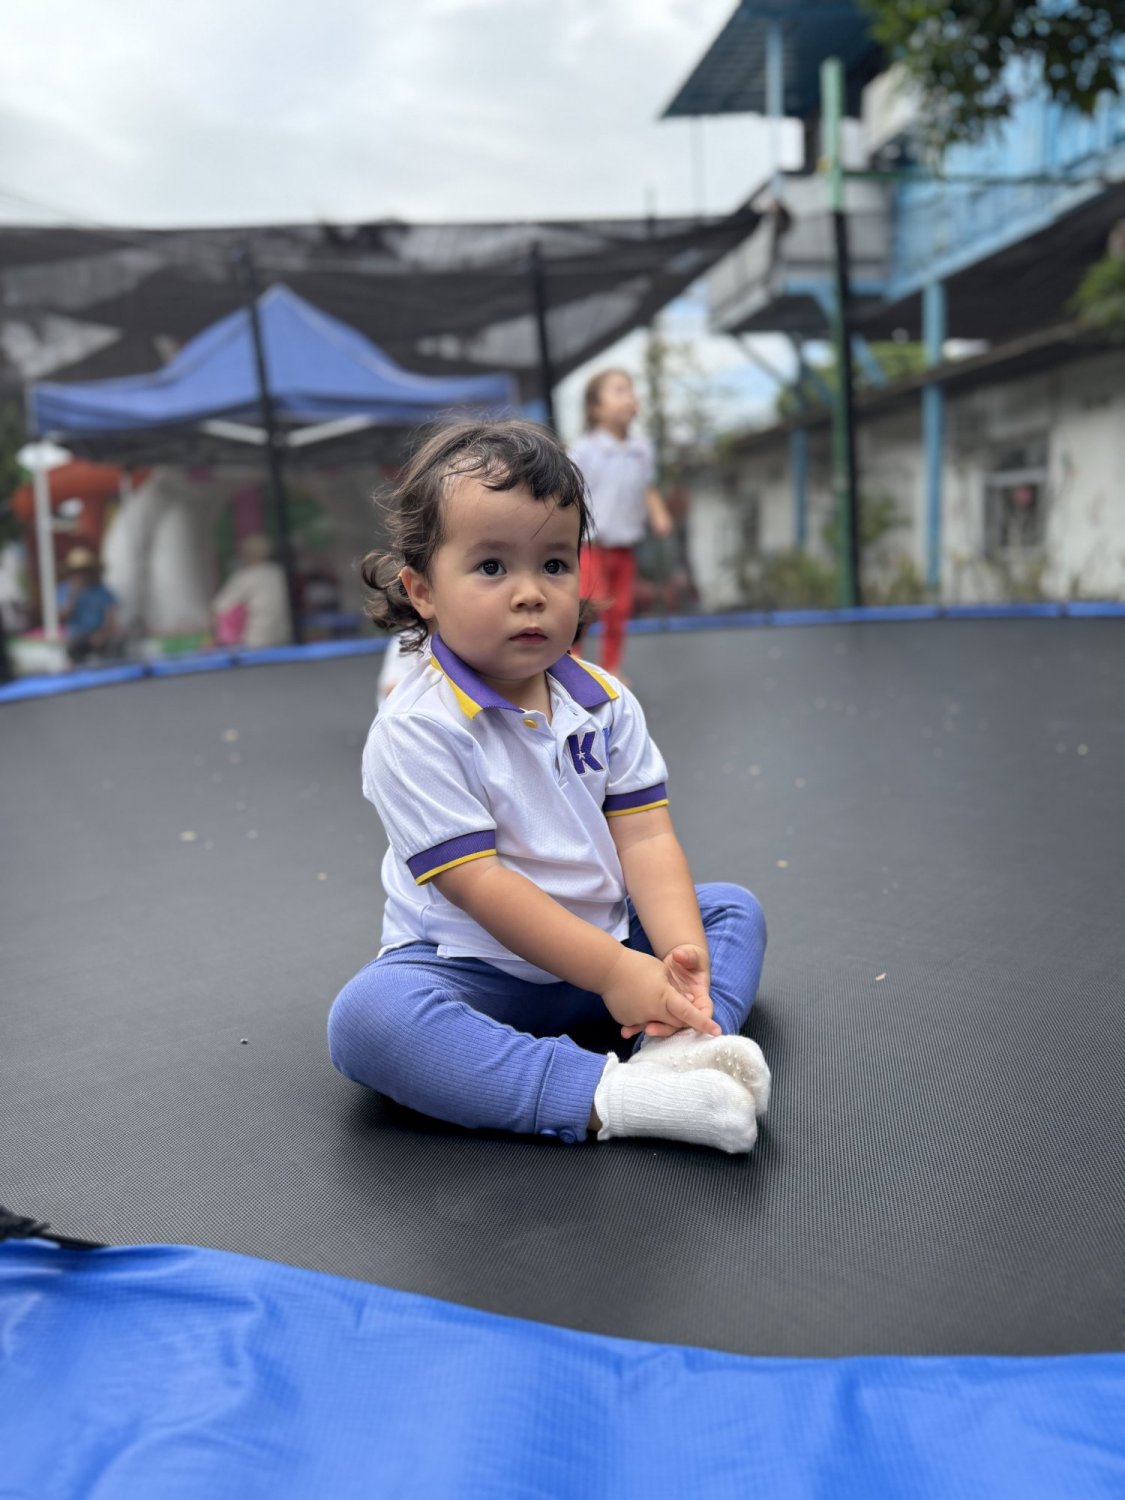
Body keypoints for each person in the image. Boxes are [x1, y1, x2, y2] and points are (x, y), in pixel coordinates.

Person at [328, 420, 770, 1153]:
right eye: (491, 566)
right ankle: (614, 1096)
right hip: (478, 970)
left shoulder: (604, 701)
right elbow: (479, 884)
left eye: (555, 564)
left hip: (610, 955)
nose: (530, 593)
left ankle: (682, 1042)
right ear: (422, 590)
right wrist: (616, 971)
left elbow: (646, 838)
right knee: (370, 1018)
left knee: (729, 911)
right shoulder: (416, 728)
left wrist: (676, 966)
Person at [567, 369, 674, 679]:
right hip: (591, 545)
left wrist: (659, 513)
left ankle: (612, 667)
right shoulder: (584, 450)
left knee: (620, 609)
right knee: (586, 605)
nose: (629, 397)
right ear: (595, 408)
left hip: (625, 546)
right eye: (618, 391)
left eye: (630, 390)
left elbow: (647, 487)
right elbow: (569, 491)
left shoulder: (642, 449)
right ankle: (571, 662)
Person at [211, 533, 292, 650]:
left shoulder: (245, 576)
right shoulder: (281, 572)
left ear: (246, 554)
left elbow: (220, 607)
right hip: (286, 636)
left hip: (258, 640)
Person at [57, 546, 122, 666]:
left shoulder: (102, 592)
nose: (81, 575)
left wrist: (102, 635)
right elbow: (63, 616)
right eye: (77, 572)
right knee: (74, 646)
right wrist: (73, 596)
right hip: (77, 637)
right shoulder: (64, 590)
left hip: (99, 634)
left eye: (84, 571)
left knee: (116, 645)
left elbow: (111, 618)